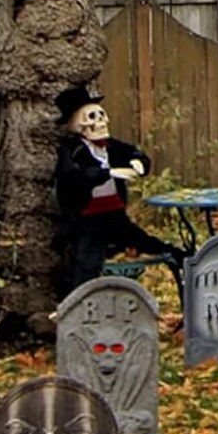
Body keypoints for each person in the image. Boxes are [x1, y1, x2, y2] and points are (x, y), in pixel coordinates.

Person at [51, 84, 184, 295]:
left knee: (148, 242)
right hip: (87, 221)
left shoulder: (110, 146)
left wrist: (138, 161)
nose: (101, 122)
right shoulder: (73, 150)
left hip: (115, 216)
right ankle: (76, 302)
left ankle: (185, 261)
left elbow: (131, 152)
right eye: (92, 118)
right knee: (87, 263)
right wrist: (106, 173)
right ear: (80, 125)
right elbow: (73, 176)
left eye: (101, 116)